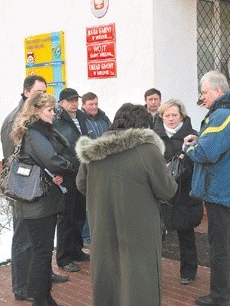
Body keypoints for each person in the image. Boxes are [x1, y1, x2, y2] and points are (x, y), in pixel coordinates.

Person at [76, 103, 177, 306]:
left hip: (103, 227)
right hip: (140, 230)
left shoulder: (93, 152)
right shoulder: (148, 151)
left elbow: (81, 184)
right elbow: (167, 190)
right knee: (140, 282)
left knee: (107, 278)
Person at [183, 70, 230, 305]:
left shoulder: (222, 115)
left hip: (221, 192)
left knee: (219, 247)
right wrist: (200, 137)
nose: (202, 97)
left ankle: (219, 296)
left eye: (204, 92)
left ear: (217, 91)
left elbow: (205, 152)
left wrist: (189, 149)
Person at [0, 75, 68, 302]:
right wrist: (56, 170)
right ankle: (24, 289)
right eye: (40, 92)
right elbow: (19, 160)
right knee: (27, 244)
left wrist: (50, 175)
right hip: (27, 194)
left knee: (39, 249)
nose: (53, 112)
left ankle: (38, 289)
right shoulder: (20, 123)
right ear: (28, 94)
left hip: (38, 192)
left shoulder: (36, 125)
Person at [10, 92, 76, 306]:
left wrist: (56, 170)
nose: (53, 113)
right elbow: (53, 160)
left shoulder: (37, 131)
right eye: (49, 110)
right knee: (41, 252)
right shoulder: (35, 133)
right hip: (37, 203)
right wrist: (69, 168)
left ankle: (42, 295)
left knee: (42, 251)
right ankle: (40, 298)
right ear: (36, 111)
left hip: (39, 201)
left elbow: (46, 162)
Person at [153, 99, 203, 285]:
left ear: (181, 115)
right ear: (161, 117)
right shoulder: (155, 137)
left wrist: (182, 162)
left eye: (174, 115)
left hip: (184, 190)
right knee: (158, 233)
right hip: (163, 191)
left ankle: (189, 270)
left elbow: (196, 161)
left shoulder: (192, 136)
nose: (171, 119)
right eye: (167, 115)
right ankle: (153, 271)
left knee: (186, 233)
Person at [53, 88, 90, 273]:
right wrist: (60, 169)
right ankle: (63, 257)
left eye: (75, 99)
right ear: (61, 103)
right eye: (69, 100)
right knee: (66, 218)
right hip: (67, 173)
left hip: (82, 171)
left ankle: (76, 250)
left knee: (79, 214)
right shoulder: (57, 120)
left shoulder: (82, 116)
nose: (73, 103)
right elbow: (57, 148)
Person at [79, 92, 111, 248]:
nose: (94, 107)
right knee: (89, 202)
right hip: (89, 165)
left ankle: (99, 234)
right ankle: (86, 236)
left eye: (96, 104)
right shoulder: (81, 121)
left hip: (105, 164)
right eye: (91, 104)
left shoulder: (104, 119)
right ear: (83, 105)